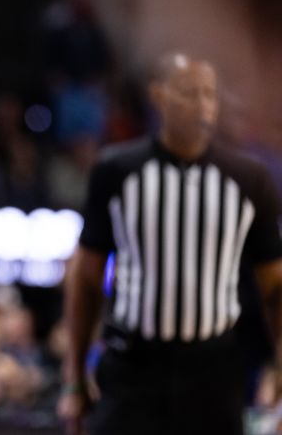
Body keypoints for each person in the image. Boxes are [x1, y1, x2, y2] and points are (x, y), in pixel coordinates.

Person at [57, 52, 282, 435]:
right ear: (158, 96)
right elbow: (86, 279)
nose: (202, 104)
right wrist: (76, 378)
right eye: (188, 93)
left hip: (214, 371)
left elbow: (275, 287)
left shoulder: (249, 179)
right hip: (132, 367)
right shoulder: (116, 170)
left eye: (209, 94)